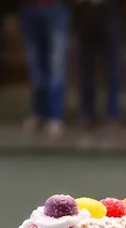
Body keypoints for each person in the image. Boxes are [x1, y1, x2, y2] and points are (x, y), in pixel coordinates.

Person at [20, 0, 72, 135]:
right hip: (29, 7)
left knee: (56, 64)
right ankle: (38, 112)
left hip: (56, 7)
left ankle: (54, 116)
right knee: (35, 65)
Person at [74, 0, 122, 128]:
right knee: (86, 68)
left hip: (109, 9)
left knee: (113, 68)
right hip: (86, 10)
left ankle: (113, 115)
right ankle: (86, 113)